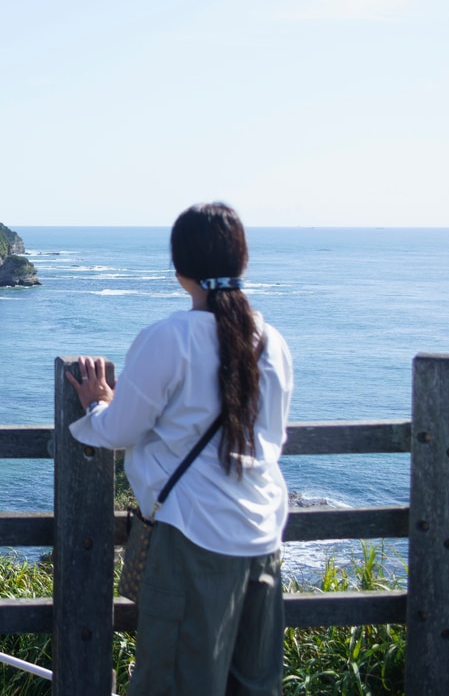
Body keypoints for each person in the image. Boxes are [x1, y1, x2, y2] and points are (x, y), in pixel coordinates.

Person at [66, 202, 293, 696]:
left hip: (194, 538)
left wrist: (98, 406)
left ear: (180, 272)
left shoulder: (169, 339)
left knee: (173, 685)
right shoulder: (271, 343)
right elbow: (272, 438)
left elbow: (121, 430)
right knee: (254, 687)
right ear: (242, 262)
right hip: (262, 539)